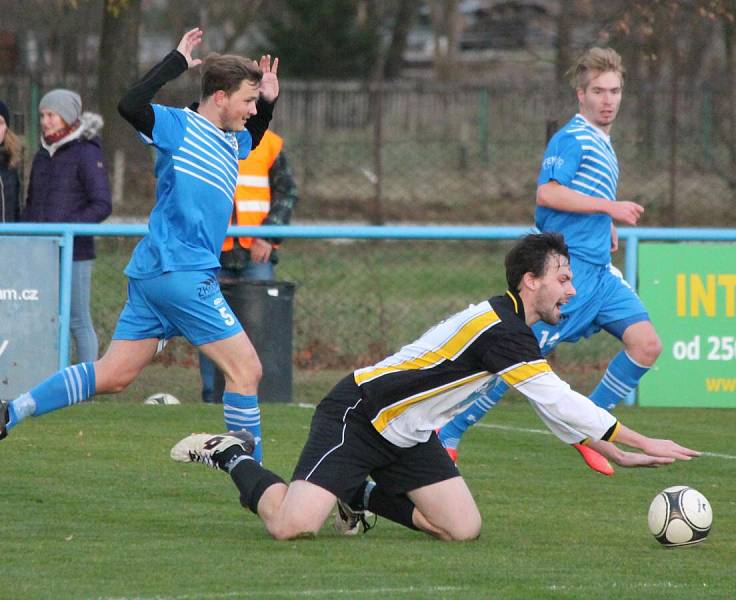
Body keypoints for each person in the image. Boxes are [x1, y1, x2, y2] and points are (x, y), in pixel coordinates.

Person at [169, 233, 699, 541]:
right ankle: (231, 456)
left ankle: (356, 493)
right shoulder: (503, 330)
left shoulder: (514, 330)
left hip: (409, 435)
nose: (573, 288)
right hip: (360, 415)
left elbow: (551, 407)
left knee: (460, 529)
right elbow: (557, 398)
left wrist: (611, 449)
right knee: (290, 527)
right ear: (529, 281)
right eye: (563, 277)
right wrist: (641, 441)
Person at [0, 27, 279, 471]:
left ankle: (9, 412)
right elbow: (129, 105)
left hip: (156, 275)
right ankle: (260, 484)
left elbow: (257, 132)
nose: (252, 110)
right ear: (221, 97)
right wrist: (174, 61)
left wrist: (268, 98)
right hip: (181, 273)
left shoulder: (233, 140)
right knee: (247, 371)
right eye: (247, 101)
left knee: (112, 375)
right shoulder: (180, 126)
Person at [438, 47, 656, 476]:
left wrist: (603, 220)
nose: (607, 99)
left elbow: (581, 201)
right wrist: (608, 209)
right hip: (566, 275)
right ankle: (449, 431)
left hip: (600, 274)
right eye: (598, 91)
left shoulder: (604, 144)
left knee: (646, 344)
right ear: (581, 94)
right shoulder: (572, 138)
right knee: (516, 363)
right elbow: (548, 194)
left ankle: (588, 426)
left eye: (614, 90)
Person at [199, 128, 299, 402]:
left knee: (260, 326)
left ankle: (258, 396)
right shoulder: (203, 139)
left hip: (256, 254)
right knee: (210, 328)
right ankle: (212, 396)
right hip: (211, 252)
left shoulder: (269, 143)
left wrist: (268, 235)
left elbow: (287, 191)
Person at [21, 89, 113, 363]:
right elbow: (32, 201)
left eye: (51, 115)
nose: (46, 121)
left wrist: (67, 230)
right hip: (41, 252)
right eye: (43, 115)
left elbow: (101, 204)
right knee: (45, 319)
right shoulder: (42, 154)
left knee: (77, 321)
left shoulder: (86, 153)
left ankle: (87, 387)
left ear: (67, 116)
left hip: (75, 253)